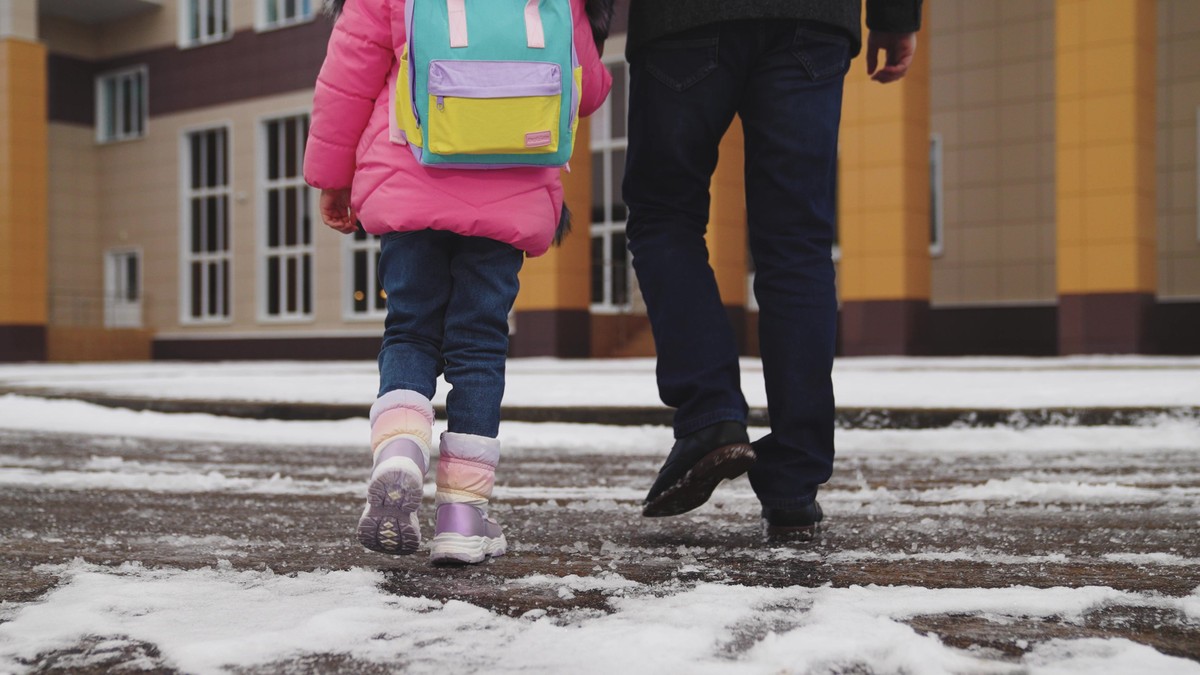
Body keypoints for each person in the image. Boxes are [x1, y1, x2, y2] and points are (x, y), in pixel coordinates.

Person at [305, 0, 612, 564]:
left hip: (408, 175)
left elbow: (344, 83)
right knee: (479, 346)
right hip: (509, 187)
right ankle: (462, 518)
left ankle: (399, 450)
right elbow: (587, 89)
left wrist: (331, 178)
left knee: (411, 330)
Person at [623, 1, 921, 540]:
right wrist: (895, 16)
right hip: (811, 20)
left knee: (664, 215)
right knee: (797, 242)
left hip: (683, 22)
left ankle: (711, 412)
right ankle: (794, 479)